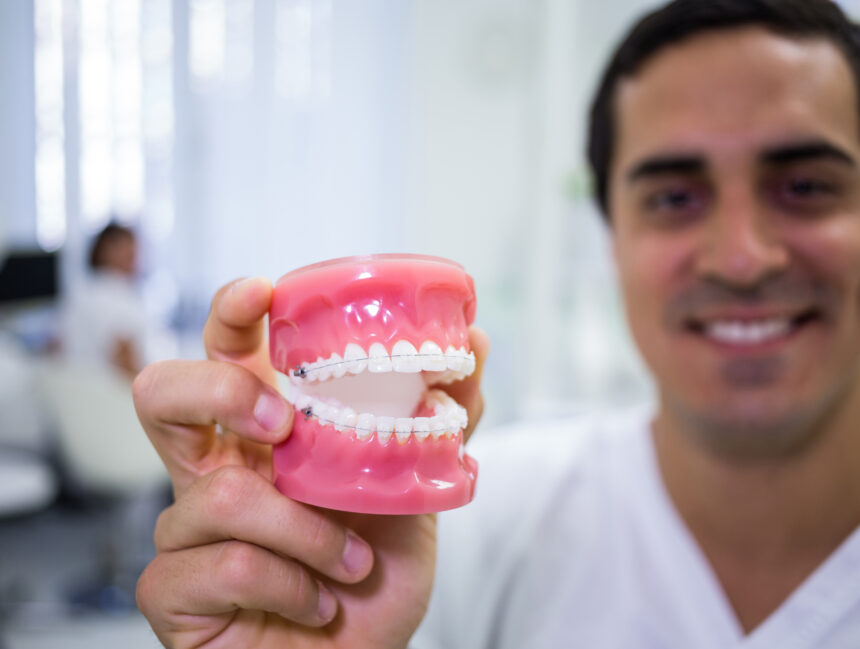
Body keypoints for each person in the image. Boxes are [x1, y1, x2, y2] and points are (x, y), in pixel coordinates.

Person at [132, 0, 860, 646]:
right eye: (673, 198)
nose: (741, 257)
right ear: (613, 239)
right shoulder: (446, 536)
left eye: (806, 187)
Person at [62, 223, 147, 379]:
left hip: (87, 391)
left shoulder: (83, 292)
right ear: (106, 250)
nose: (135, 257)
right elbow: (126, 361)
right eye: (129, 252)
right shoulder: (116, 294)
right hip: (119, 395)